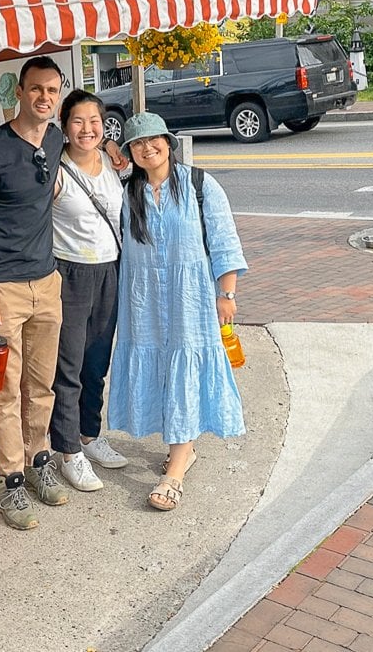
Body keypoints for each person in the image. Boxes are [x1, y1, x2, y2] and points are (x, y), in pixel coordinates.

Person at [107, 111, 248, 512]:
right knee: (161, 370)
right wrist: (109, 150)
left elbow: (223, 240)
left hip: (192, 298)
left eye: (154, 140)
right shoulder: (126, 190)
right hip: (144, 301)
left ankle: (175, 470)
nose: (146, 148)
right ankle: (182, 449)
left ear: (168, 142)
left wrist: (227, 293)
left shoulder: (200, 185)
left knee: (184, 366)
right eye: (137, 143)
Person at [0, 55, 70, 530]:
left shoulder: (56, 137)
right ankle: (11, 484)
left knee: (41, 385)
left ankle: (39, 461)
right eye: (36, 89)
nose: (45, 98)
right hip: (2, 289)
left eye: (52, 90)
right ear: (19, 92)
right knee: (4, 390)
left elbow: (52, 181)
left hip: (46, 283)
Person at [49, 90, 129, 492]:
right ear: (64, 126)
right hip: (70, 274)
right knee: (69, 365)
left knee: (97, 360)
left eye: (93, 121)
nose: (87, 129)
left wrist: (115, 148)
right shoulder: (54, 169)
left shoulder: (114, 165)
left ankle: (89, 434)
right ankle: (68, 452)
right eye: (78, 121)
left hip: (108, 271)